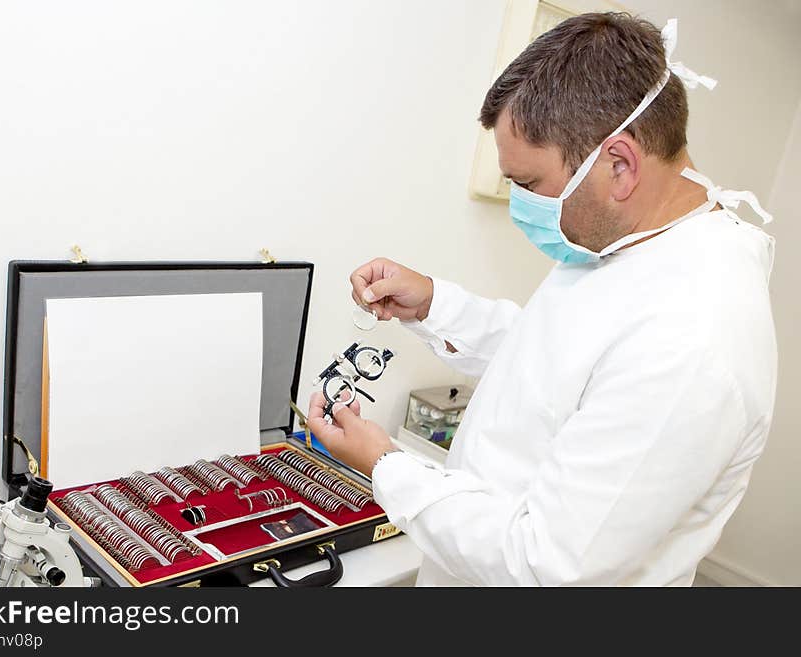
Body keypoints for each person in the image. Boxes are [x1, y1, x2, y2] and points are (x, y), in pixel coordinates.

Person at [306, 13, 777, 586]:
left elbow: (546, 564)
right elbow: (556, 363)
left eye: (528, 184)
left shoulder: (695, 337)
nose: (520, 204)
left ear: (620, 164)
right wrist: (434, 305)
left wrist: (386, 466)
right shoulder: (631, 244)